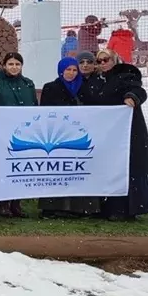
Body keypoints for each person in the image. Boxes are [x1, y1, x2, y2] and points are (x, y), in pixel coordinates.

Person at [85, 49, 148, 221]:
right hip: (106, 134)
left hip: (128, 133)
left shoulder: (126, 75)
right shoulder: (95, 80)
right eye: (99, 61)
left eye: (106, 59)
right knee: (108, 169)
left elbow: (139, 90)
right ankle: (107, 207)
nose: (103, 63)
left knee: (128, 169)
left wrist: (132, 97)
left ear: (114, 59)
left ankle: (128, 209)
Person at [37, 57, 101, 219]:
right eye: (68, 70)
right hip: (58, 136)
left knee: (78, 170)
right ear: (61, 71)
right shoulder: (51, 87)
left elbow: (93, 109)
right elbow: (45, 111)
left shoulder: (84, 87)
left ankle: (80, 208)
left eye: (74, 70)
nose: (71, 73)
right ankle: (52, 207)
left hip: (79, 135)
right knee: (56, 170)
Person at [0, 51, 36, 218]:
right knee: (5, 167)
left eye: (17, 64)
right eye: (11, 64)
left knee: (21, 167)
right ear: (4, 65)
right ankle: (3, 203)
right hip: (4, 132)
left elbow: (34, 105)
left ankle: (17, 203)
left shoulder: (28, 84)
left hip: (25, 132)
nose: (14, 67)